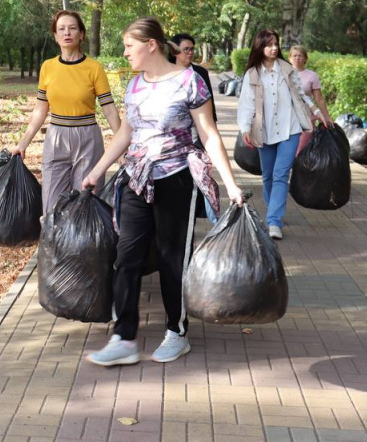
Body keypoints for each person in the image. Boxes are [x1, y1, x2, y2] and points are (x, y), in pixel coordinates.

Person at [79, 18, 245, 367]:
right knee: (126, 257)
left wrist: (230, 184)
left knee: (172, 258)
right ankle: (124, 337)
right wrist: (97, 170)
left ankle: (176, 331)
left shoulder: (190, 82)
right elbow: (125, 134)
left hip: (176, 179)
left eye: (129, 46)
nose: (125, 53)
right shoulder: (135, 85)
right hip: (137, 179)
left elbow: (209, 134)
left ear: (151, 44)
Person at [11, 10, 121, 217]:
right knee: (52, 203)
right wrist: (23, 143)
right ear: (55, 36)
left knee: (85, 203)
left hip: (88, 137)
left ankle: (85, 249)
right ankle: (51, 248)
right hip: (56, 137)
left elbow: (109, 110)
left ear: (81, 34)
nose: (66, 33)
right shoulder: (48, 67)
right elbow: (40, 109)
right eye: (61, 29)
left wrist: (121, 148)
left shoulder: (94, 68)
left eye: (72, 28)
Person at [237, 30, 317, 241]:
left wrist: (316, 112)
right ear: (260, 46)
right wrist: (245, 128)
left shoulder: (287, 70)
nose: (274, 48)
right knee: (268, 175)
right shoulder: (252, 74)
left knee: (281, 175)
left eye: (276, 44)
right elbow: (246, 103)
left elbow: (301, 96)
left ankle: (274, 220)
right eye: (269, 44)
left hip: (289, 130)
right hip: (264, 131)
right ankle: (274, 207)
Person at [170, 33, 220, 222]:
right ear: (175, 51)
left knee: (204, 180)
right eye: (186, 49)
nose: (190, 53)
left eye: (192, 49)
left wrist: (210, 139)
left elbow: (210, 109)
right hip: (174, 141)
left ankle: (214, 223)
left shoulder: (200, 73)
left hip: (197, 137)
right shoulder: (166, 74)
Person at [288, 45, 333, 154]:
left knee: (300, 151)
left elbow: (319, 99)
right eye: (294, 56)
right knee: (287, 151)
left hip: (306, 117)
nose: (297, 58)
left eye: (300, 56)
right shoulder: (284, 73)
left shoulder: (312, 76)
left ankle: (297, 170)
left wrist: (327, 117)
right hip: (287, 117)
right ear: (290, 58)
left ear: (305, 59)